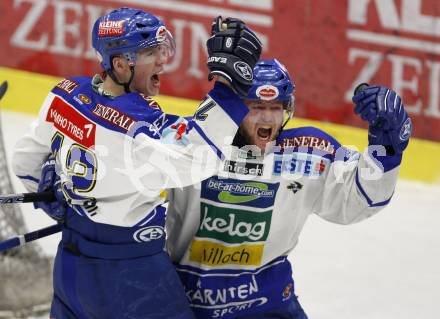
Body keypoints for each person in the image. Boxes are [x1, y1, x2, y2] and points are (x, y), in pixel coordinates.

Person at [11, 7, 261, 319]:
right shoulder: (136, 129)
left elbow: (25, 159)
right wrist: (228, 92)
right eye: (151, 53)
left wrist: (51, 191)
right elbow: (194, 159)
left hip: (70, 269)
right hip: (130, 276)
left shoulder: (64, 94)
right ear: (120, 64)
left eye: (162, 49)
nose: (162, 60)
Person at [164, 59, 412, 318]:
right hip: (186, 304)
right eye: (257, 106)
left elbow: (362, 200)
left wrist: (386, 151)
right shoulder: (193, 146)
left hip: (270, 304)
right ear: (234, 107)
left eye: (276, 107)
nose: (268, 117)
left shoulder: (308, 152)